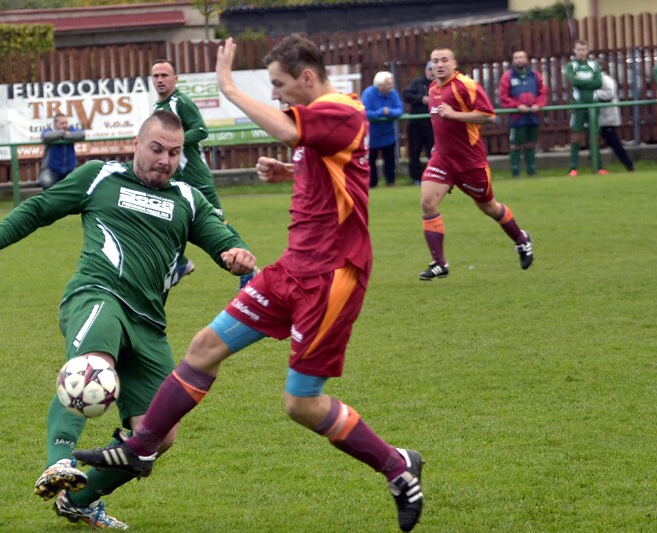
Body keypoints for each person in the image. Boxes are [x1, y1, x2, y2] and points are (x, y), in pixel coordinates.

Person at [73, 35, 425, 533]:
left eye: (281, 85)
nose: (279, 95)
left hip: (331, 277)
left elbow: (288, 129)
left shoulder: (340, 110)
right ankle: (139, 446)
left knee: (301, 403)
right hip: (292, 270)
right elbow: (331, 165)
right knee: (203, 348)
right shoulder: (326, 122)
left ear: (307, 77)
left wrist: (228, 88)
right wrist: (291, 170)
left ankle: (396, 465)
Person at [0, 111, 256, 530]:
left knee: (156, 435)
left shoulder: (188, 199)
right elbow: (40, 207)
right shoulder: (100, 176)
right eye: (156, 149)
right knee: (93, 366)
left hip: (148, 324)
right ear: (135, 144)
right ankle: (58, 461)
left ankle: (80, 499)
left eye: (173, 153)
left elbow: (223, 239)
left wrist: (235, 254)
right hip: (97, 295)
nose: (164, 160)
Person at [418, 47, 533, 281]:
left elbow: (488, 116)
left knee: (489, 207)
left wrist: (455, 115)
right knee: (428, 203)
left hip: (470, 162)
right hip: (442, 159)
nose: (439, 65)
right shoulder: (433, 89)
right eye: (435, 61)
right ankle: (440, 263)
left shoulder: (465, 86)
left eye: (444, 60)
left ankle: (521, 240)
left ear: (454, 63)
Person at [151, 59, 255, 288]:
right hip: (175, 176)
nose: (159, 80)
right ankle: (177, 264)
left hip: (194, 175)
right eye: (156, 76)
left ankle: (249, 269)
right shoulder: (158, 108)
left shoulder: (180, 102)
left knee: (216, 222)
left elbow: (200, 129)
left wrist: (173, 142)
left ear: (175, 79)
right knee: (166, 215)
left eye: (164, 75)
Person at [498, 50, 547, 177]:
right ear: (513, 60)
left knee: (531, 142)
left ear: (526, 59)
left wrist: (538, 104)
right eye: (516, 57)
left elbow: (542, 92)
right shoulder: (507, 76)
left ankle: (532, 171)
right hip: (517, 116)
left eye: (521, 57)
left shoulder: (535, 75)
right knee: (516, 143)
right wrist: (517, 105)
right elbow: (503, 96)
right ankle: (515, 172)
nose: (519, 60)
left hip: (533, 115)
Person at [565, 40, 603, 176]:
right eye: (579, 49)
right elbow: (573, 81)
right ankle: (573, 167)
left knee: (595, 135)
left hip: (593, 104)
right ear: (574, 50)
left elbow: (599, 82)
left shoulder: (594, 65)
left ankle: (598, 167)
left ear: (587, 51)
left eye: (583, 49)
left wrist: (582, 83)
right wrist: (589, 82)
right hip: (578, 105)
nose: (581, 52)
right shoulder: (571, 66)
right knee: (576, 135)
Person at [361, 71, 403, 187]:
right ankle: (372, 184)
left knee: (390, 160)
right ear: (380, 85)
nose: (391, 85)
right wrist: (380, 112)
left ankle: (391, 182)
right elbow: (365, 112)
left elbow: (399, 109)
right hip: (372, 134)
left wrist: (389, 112)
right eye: (388, 83)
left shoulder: (393, 93)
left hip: (388, 134)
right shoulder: (368, 94)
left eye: (391, 83)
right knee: (371, 161)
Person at [402, 62, 435, 185]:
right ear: (426, 70)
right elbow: (406, 95)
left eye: (434, 69)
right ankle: (416, 178)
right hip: (416, 123)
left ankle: (434, 176)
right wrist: (421, 99)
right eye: (430, 69)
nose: (432, 72)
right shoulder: (417, 83)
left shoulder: (439, 84)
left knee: (433, 151)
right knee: (414, 151)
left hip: (432, 124)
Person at [595, 72, 635, 172]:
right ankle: (598, 166)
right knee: (600, 141)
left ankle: (628, 165)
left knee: (614, 142)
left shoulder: (606, 80)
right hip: (599, 117)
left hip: (607, 118)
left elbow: (609, 94)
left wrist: (593, 94)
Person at [40, 113, 85, 189]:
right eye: (62, 123)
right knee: (46, 181)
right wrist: (63, 133)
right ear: (55, 124)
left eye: (66, 123)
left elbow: (81, 134)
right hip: (51, 169)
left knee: (82, 180)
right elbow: (46, 136)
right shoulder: (49, 130)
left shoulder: (70, 129)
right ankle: (50, 200)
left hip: (70, 168)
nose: (64, 125)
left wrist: (66, 136)